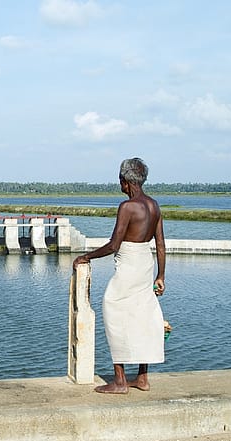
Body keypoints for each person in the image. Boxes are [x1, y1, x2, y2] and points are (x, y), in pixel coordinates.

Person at [72, 157, 166, 394]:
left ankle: (120, 380)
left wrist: (87, 256)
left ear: (126, 181)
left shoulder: (127, 207)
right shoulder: (154, 205)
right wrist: (161, 276)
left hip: (129, 265)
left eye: (120, 180)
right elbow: (161, 245)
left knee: (113, 310)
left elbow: (114, 245)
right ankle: (142, 378)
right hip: (146, 264)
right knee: (143, 315)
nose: (120, 185)